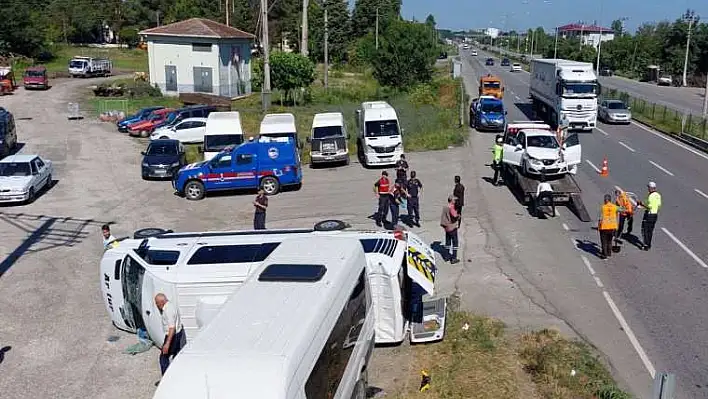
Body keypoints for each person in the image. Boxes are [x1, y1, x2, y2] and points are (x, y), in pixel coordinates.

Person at [154, 293, 186, 376]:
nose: (156, 305)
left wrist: (167, 344)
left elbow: (172, 328)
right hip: (177, 334)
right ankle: (176, 374)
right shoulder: (171, 305)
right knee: (176, 355)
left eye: (157, 303)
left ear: (162, 302)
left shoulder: (168, 310)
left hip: (172, 336)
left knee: (163, 357)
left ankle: (166, 377)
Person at [637, 181, 662, 251]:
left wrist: (641, 204)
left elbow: (649, 206)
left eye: (648, 187)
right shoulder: (658, 195)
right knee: (650, 231)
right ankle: (649, 244)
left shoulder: (651, 196)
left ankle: (645, 245)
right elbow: (659, 205)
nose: (648, 188)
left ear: (651, 188)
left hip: (649, 215)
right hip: (655, 215)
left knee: (644, 230)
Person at [598, 194, 620, 259]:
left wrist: (599, 227)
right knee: (609, 240)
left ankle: (604, 255)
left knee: (604, 241)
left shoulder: (603, 207)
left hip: (604, 227)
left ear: (605, 200)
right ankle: (609, 252)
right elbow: (622, 210)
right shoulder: (615, 207)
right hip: (612, 227)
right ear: (610, 200)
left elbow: (600, 218)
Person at [440, 196, 460, 264]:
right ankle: (454, 258)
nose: (455, 201)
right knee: (455, 243)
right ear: (451, 200)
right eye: (454, 200)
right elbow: (454, 215)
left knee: (448, 242)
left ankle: (446, 256)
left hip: (447, 227)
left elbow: (443, 217)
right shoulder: (451, 207)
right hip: (452, 227)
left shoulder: (445, 206)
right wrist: (458, 216)